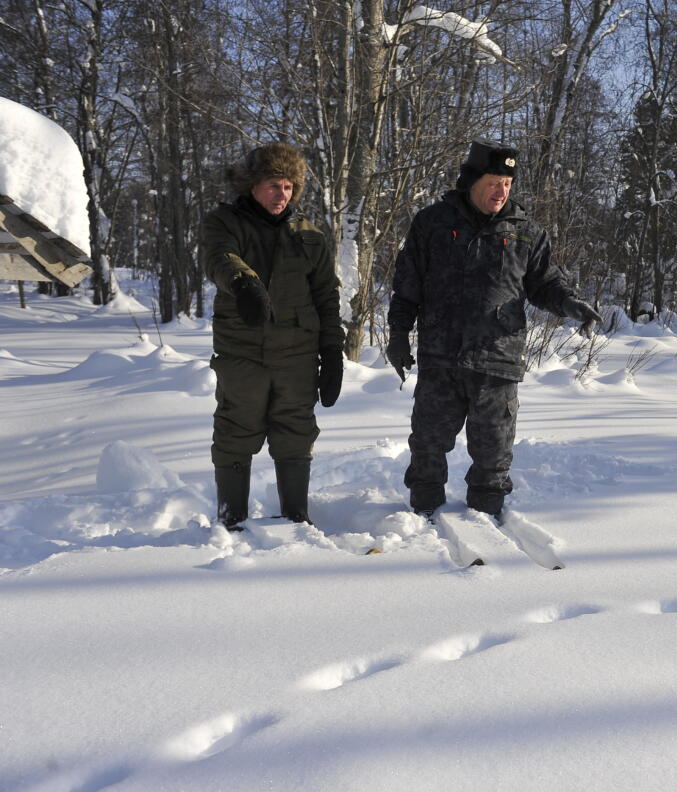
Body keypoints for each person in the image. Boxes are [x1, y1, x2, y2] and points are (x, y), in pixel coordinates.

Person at [387, 139, 602, 518]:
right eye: (493, 181)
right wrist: (399, 335)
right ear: (471, 180)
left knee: (493, 451)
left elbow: (545, 283)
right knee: (428, 445)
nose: (501, 190)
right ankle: (423, 518)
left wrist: (571, 304)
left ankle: (486, 517)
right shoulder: (433, 223)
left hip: (497, 360)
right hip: (441, 358)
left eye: (507, 183)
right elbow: (407, 286)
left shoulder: (526, 233)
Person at [201, 142, 344, 528]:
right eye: (273, 185)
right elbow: (218, 256)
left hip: (297, 355)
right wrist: (242, 282)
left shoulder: (310, 237)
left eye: (288, 187)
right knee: (235, 430)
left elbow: (327, 297)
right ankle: (231, 521)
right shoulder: (225, 222)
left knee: (296, 434)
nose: (281, 194)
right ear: (252, 185)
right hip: (242, 352)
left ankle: (296, 518)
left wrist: (332, 352)